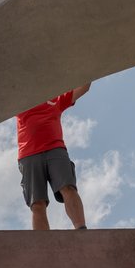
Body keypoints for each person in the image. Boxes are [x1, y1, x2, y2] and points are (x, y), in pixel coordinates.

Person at [15, 83, 91, 230]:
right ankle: (44, 244)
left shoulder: (56, 99)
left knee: (68, 188)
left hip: (55, 149)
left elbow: (84, 87)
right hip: (28, 154)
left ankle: (81, 230)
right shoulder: (20, 101)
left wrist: (91, 65)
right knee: (37, 203)